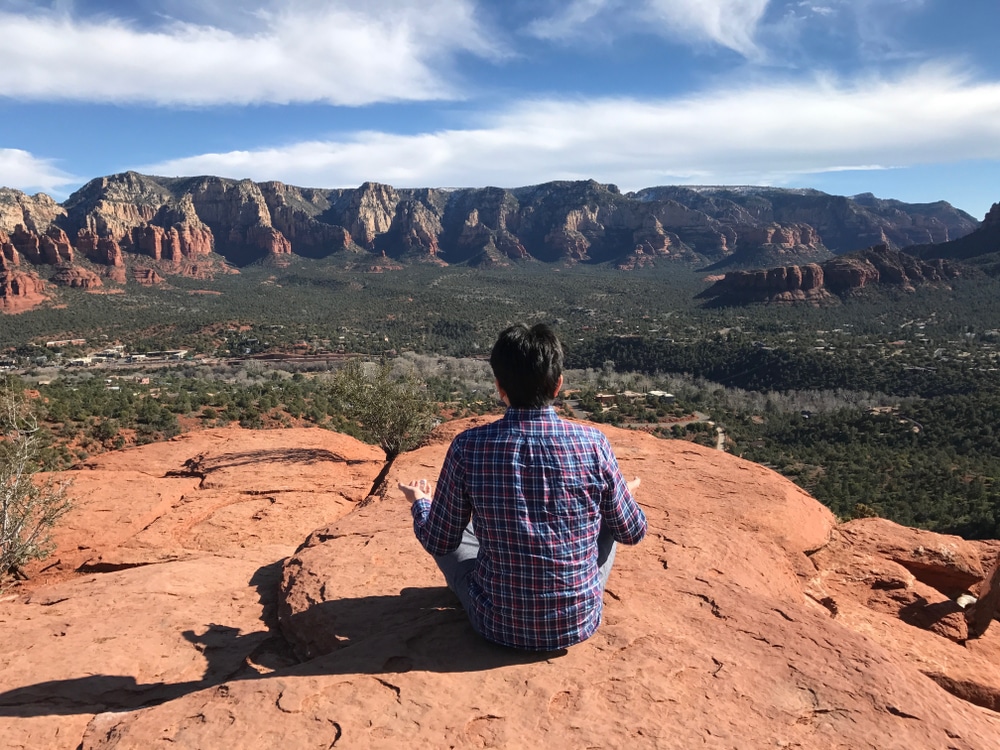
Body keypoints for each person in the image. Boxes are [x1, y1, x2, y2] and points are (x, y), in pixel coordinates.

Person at [399, 323, 647, 651]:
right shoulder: (592, 444)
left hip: (495, 624)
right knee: (610, 519)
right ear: (557, 384)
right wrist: (619, 496)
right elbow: (632, 531)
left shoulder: (468, 447)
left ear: (500, 386)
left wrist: (421, 503)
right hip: (578, 624)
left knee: (461, 533)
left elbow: (439, 540)